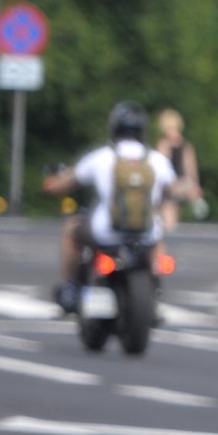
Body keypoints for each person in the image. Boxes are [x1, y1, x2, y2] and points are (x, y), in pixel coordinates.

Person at [43, 101, 175, 312]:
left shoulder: (102, 156)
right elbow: (171, 190)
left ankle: (70, 288)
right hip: (146, 233)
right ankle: (156, 289)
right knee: (158, 239)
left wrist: (50, 185)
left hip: (106, 232)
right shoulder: (156, 160)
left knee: (71, 230)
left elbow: (67, 182)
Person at [153, 109, 203, 232]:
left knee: (168, 218)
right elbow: (191, 169)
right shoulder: (184, 145)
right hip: (179, 185)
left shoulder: (164, 145)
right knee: (171, 218)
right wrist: (195, 186)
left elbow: (161, 169)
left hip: (170, 187)